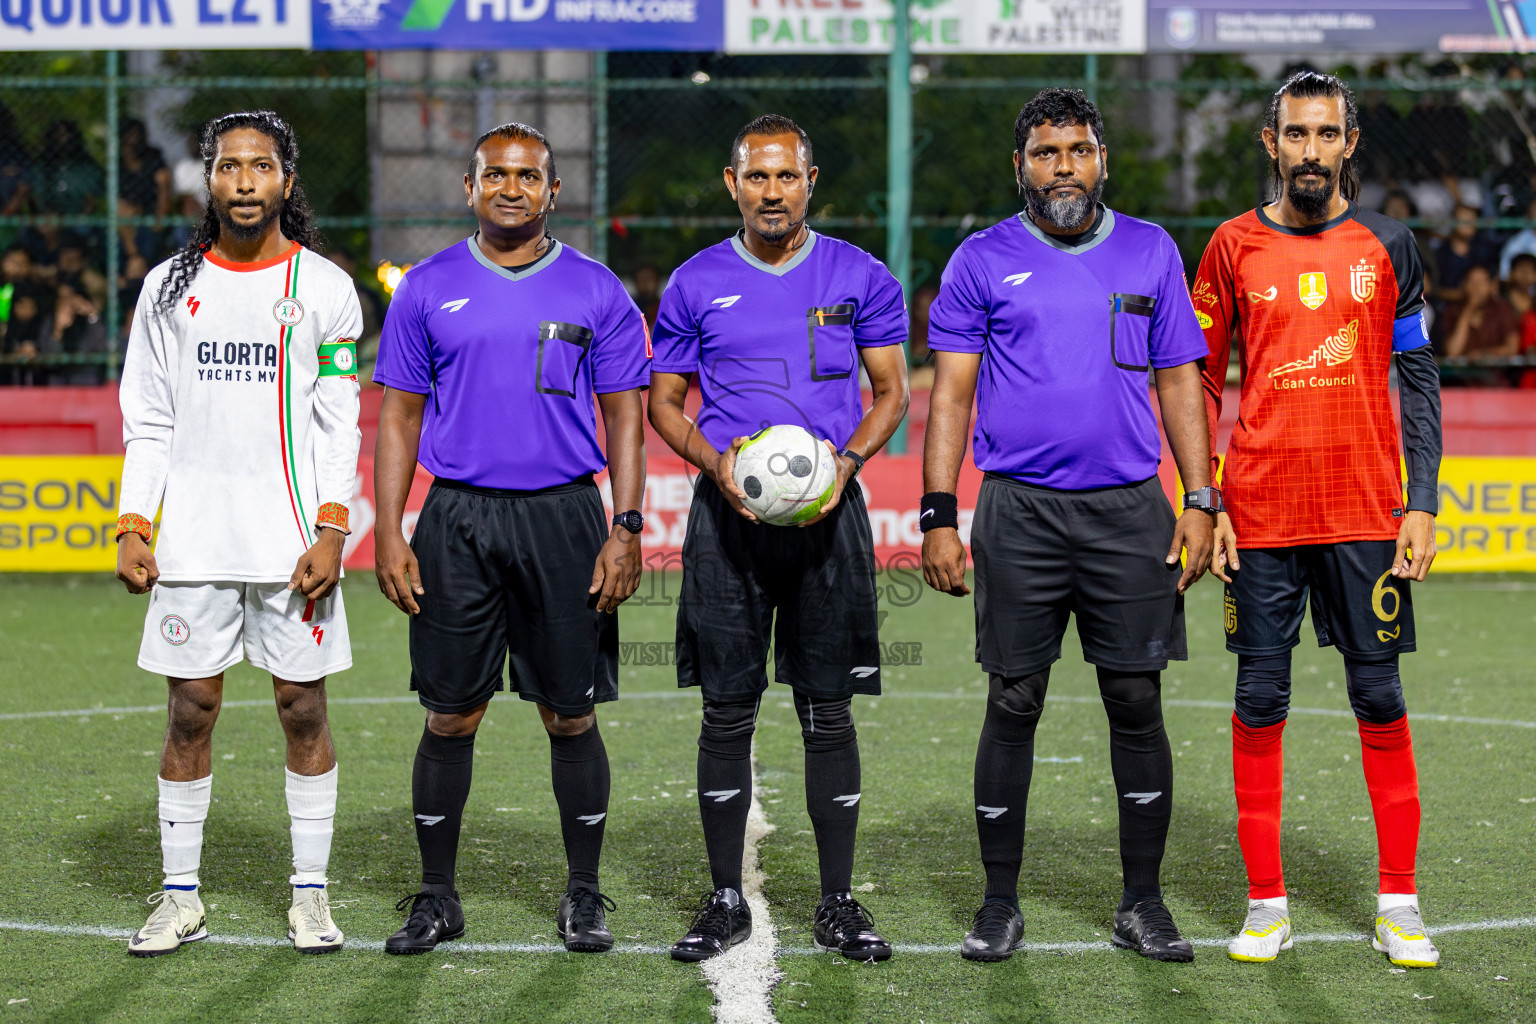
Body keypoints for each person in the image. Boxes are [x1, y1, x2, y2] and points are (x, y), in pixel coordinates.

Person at [921, 88, 1223, 965]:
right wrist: (940, 513)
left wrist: (1201, 499)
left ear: (1102, 161)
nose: (1065, 168)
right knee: (1014, 700)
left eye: (1079, 151)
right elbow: (953, 393)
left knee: (1136, 699)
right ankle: (998, 904)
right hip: (1019, 511)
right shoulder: (980, 259)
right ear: (1020, 165)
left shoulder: (1151, 250)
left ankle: (1143, 903)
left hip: (1132, 511)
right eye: (1047, 153)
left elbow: (1179, 384)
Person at [372, 122, 649, 956]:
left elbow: (627, 417)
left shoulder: (599, 291)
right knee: (450, 715)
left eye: (529, 176)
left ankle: (584, 894)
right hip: (456, 518)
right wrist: (388, 528)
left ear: (553, 192)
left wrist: (625, 526)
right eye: (495, 175)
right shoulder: (425, 287)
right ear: (470, 188)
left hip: (565, 517)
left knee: (570, 716)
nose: (511, 188)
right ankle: (437, 897)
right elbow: (398, 417)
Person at [1193, 71, 1443, 968]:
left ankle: (1399, 904)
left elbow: (1418, 377)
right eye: (1294, 134)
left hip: (1366, 513)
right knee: (1261, 700)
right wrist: (1202, 498)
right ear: (1271, 143)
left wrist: (1421, 502)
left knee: (1379, 696)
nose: (1309, 149)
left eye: (1325, 134)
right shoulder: (1229, 247)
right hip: (1258, 515)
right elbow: (1200, 382)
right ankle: (1267, 905)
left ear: (1350, 142)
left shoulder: (1390, 245)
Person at [648, 113, 910, 963]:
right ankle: (726, 898)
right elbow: (664, 403)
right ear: (733, 185)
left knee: (827, 711)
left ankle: (837, 902)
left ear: (810, 181)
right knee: (726, 711)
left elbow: (890, 393)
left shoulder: (861, 275)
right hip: (728, 523)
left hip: (830, 521)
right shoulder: (694, 282)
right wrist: (715, 464)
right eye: (756, 178)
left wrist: (849, 463)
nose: (772, 192)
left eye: (786, 177)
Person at [114, 111, 363, 957]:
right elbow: (146, 420)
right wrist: (133, 522)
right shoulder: (166, 287)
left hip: (296, 546)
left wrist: (335, 530)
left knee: (302, 709)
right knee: (190, 710)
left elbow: (339, 426)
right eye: (229, 167)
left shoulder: (325, 288)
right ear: (210, 182)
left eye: (261, 166)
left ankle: (311, 896)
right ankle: (180, 897)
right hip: (193, 543)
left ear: (287, 182)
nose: (245, 180)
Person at [1443, 264, 1520, 361]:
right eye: (1472, 282)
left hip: (1496, 373)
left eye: (1482, 282)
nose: (1477, 288)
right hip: (1463, 374)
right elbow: (1453, 352)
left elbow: (1512, 348)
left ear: (1490, 286)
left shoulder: (1502, 308)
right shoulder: (1453, 311)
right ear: (1464, 285)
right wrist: (1468, 309)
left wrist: (1483, 354)